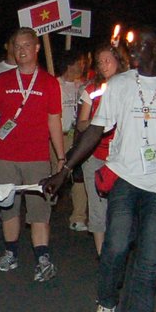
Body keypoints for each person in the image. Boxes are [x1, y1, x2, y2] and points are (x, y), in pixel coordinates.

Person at [43, 24, 156, 312]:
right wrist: (65, 169)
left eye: (148, 44)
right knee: (116, 246)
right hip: (124, 179)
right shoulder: (119, 85)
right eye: (137, 44)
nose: (140, 49)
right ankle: (106, 301)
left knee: (150, 255)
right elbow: (94, 131)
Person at [0, 27, 66, 281]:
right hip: (4, 155)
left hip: (37, 157)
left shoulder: (49, 83)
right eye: (17, 46)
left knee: (39, 209)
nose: (21, 50)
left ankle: (42, 258)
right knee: (8, 207)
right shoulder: (1, 80)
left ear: (37, 48)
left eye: (27, 45)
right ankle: (11, 253)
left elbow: (54, 121)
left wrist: (60, 157)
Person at [75, 43, 126, 256]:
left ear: (118, 61)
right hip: (95, 156)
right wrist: (98, 121)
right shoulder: (92, 90)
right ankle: (103, 257)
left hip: (121, 159)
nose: (104, 65)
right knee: (98, 210)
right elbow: (81, 124)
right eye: (100, 62)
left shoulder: (129, 87)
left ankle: (117, 252)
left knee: (121, 210)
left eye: (108, 60)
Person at [57, 50, 91, 232]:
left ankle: (78, 216)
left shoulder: (83, 87)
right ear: (70, 65)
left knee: (79, 176)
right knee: (54, 172)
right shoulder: (55, 85)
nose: (82, 66)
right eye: (79, 62)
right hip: (58, 137)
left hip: (75, 136)